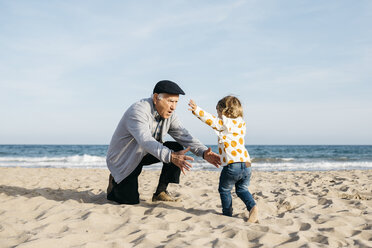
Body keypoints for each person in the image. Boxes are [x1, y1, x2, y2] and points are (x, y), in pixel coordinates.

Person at [106, 80, 221, 205]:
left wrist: (204, 153)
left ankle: (161, 192)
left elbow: (184, 135)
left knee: (177, 148)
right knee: (130, 201)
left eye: (176, 102)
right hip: (124, 159)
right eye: (170, 101)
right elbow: (146, 140)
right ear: (156, 98)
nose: (173, 106)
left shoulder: (170, 115)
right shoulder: (138, 111)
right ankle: (114, 181)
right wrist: (171, 156)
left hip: (145, 152)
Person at [188, 96, 258, 223]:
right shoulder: (242, 123)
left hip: (232, 165)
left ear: (224, 111)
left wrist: (196, 110)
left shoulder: (224, 123)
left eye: (218, 111)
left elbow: (209, 120)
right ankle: (252, 207)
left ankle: (227, 214)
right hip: (247, 164)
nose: (217, 115)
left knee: (224, 189)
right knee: (242, 189)